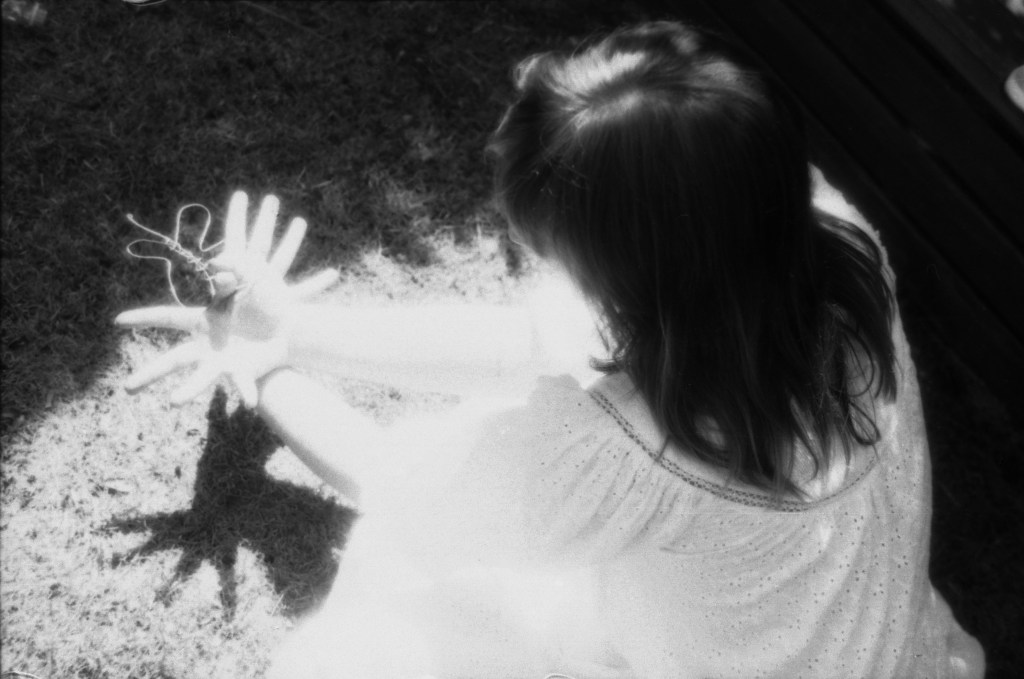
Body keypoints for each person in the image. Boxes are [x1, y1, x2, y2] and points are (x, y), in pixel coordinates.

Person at [115, 21, 985, 679]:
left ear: (640, 281)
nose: (548, 271)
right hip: (870, 648)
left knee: (400, 621)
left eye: (562, 259)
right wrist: (297, 331)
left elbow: (397, 482)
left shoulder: (633, 453)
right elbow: (536, 342)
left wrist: (263, 368)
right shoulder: (824, 239)